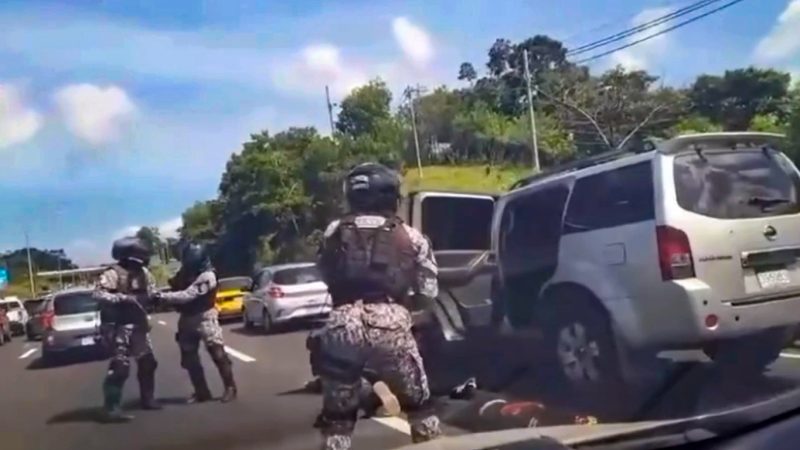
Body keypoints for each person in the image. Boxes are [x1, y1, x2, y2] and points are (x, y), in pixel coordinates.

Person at [315, 162, 442, 450]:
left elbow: (324, 272)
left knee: (338, 417)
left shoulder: (333, 231)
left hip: (341, 323)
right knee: (420, 405)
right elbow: (428, 290)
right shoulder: (411, 236)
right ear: (390, 195)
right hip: (390, 322)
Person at [155, 242, 237, 403]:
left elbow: (188, 295)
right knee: (189, 359)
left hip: (205, 316)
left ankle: (230, 388)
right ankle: (201, 392)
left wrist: (163, 297)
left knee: (218, 354)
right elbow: (175, 287)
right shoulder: (184, 272)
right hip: (186, 318)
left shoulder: (208, 276)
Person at [93, 237, 161, 422]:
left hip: (138, 324)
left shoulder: (144, 272)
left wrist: (155, 297)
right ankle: (111, 408)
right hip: (118, 325)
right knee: (120, 367)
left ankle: (148, 399)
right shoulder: (113, 273)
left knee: (148, 363)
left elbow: (152, 290)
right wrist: (121, 298)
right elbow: (98, 294)